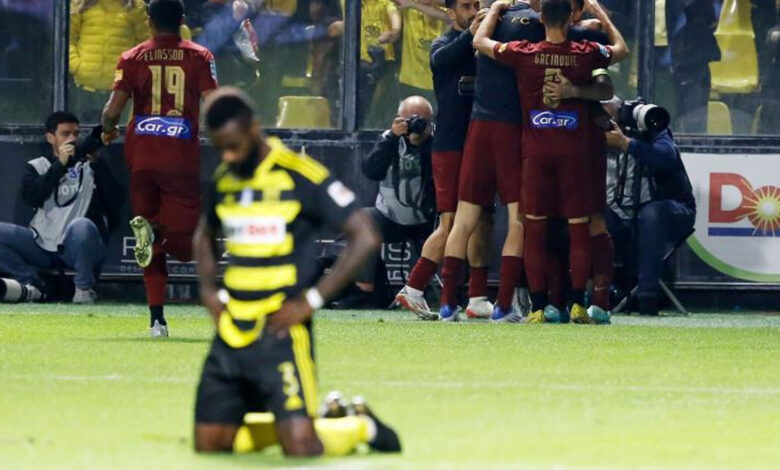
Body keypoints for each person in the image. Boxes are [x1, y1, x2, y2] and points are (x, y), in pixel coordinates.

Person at [192, 88, 401, 456]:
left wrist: (311, 300)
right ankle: (302, 421)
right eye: (220, 147)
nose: (228, 156)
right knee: (210, 445)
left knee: (302, 448)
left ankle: (358, 425)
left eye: (234, 146)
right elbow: (203, 235)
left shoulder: (299, 173)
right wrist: (209, 292)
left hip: (281, 331)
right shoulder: (226, 177)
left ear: (254, 128)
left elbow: (365, 236)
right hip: (231, 332)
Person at [473, 0, 628, 323]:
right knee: (578, 228)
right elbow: (621, 50)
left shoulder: (524, 51)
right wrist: (599, 13)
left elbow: (480, 42)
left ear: (541, 17)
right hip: (574, 152)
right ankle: (577, 303)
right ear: (571, 16)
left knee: (535, 230)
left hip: (536, 153)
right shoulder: (586, 52)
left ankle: (539, 307)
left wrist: (496, 9)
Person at [101, 0, 218, 337]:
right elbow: (214, 104)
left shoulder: (132, 57)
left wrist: (108, 130)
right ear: (182, 20)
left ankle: (157, 320)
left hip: (141, 158)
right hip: (179, 158)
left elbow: (112, 111)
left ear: (149, 20)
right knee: (184, 247)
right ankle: (157, 239)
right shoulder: (200, 56)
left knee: (149, 233)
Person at [395, 0, 495, 320]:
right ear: (450, 12)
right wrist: (472, 34)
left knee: (483, 220)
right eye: (465, 6)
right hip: (450, 146)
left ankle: (478, 297)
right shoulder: (444, 44)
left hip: (480, 145)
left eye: (476, 4)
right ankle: (414, 287)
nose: (473, 10)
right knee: (451, 222)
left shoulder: (484, 45)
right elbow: (441, 60)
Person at [0, 112, 123, 304]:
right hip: (42, 243)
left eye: (76, 133)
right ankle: (34, 284)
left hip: (77, 247)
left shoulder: (90, 165)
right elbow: (33, 197)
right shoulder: (38, 166)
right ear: (51, 137)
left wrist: (97, 164)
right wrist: (60, 165)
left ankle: (83, 289)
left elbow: (116, 199)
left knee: (81, 225)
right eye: (65, 134)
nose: (72, 138)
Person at [341, 96, 437, 308]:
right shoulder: (388, 139)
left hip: (427, 220)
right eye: (410, 119)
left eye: (422, 120)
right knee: (360, 222)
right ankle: (366, 293)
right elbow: (370, 171)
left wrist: (426, 142)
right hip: (389, 217)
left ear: (431, 122)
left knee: (450, 228)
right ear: (398, 119)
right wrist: (392, 138)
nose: (416, 125)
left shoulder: (438, 143)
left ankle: (434, 294)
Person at [603, 98, 696, 316]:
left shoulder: (648, 125)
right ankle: (598, 294)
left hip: (671, 211)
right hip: (618, 214)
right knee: (589, 214)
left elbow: (667, 157)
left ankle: (647, 297)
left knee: (651, 214)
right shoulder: (588, 133)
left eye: (609, 111)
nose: (606, 118)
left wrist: (627, 144)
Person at [69, 0, 151, 120]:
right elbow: (68, 38)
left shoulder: (134, 6)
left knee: (117, 130)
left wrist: (129, 73)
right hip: (84, 88)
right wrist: (76, 66)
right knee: (80, 129)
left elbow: (144, 44)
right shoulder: (80, 3)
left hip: (120, 91)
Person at [666, 0, 720, 133]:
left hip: (685, 80)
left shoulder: (682, 33)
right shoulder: (703, 33)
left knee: (685, 113)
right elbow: (715, 54)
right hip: (696, 81)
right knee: (695, 115)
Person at [395, 0, 449, 103]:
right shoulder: (409, 11)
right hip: (409, 80)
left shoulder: (447, 12)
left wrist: (412, 4)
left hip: (435, 83)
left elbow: (447, 17)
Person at [359, 0, 402, 127]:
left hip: (383, 63)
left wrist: (393, 33)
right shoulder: (355, 4)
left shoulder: (386, 4)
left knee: (376, 105)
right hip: (360, 63)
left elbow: (396, 27)